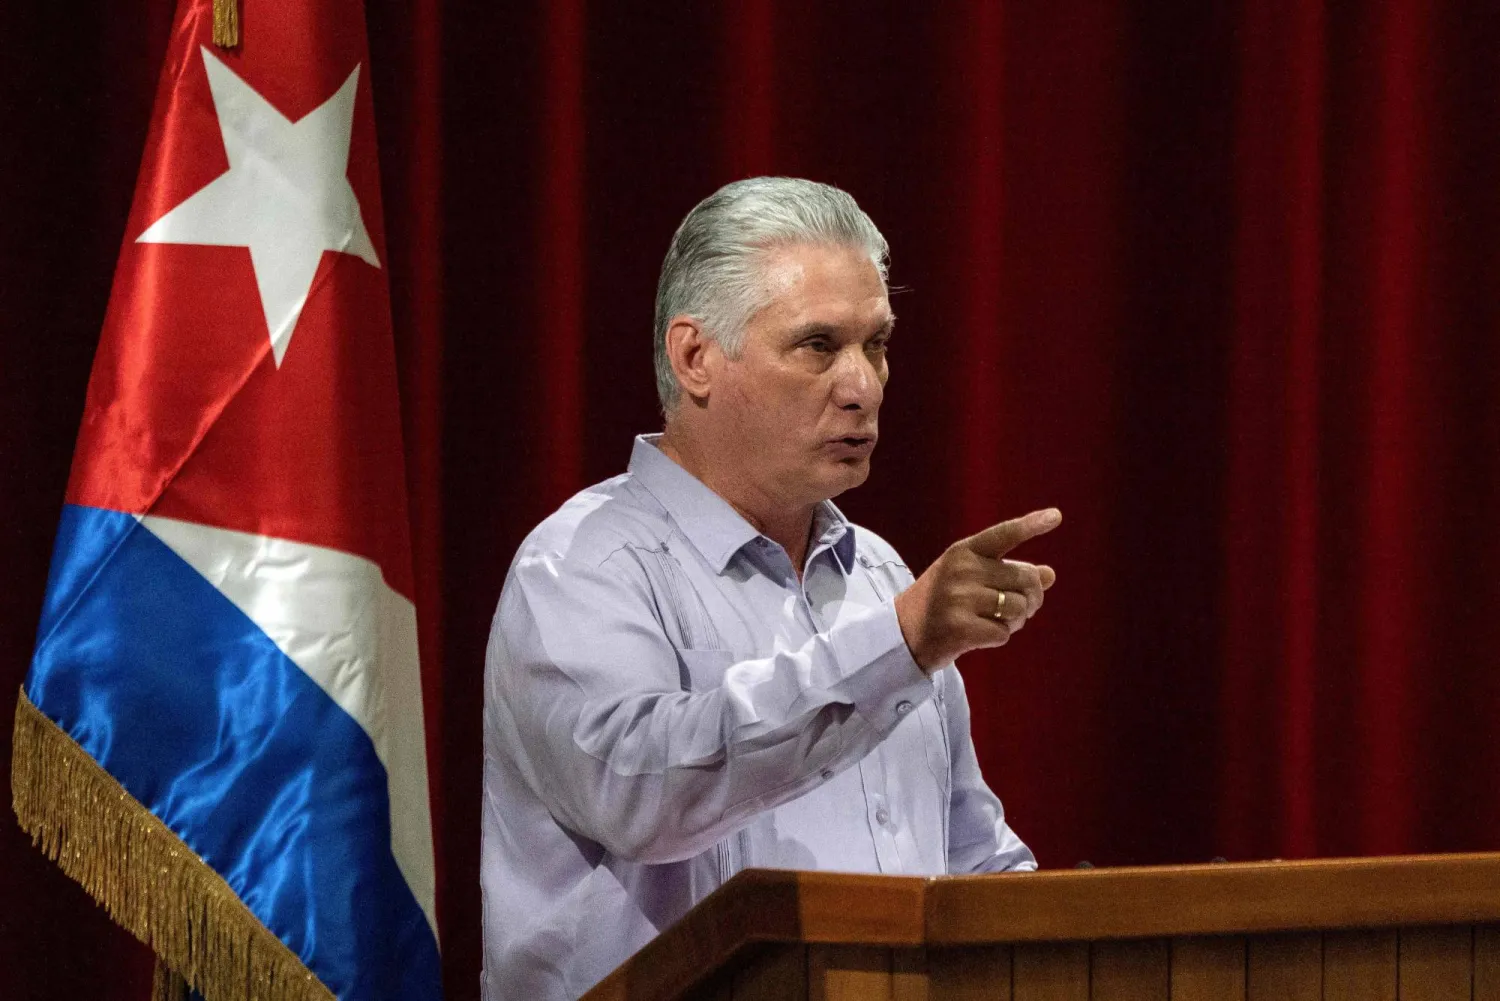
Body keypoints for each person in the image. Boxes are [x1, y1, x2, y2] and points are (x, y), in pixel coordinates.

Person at [480, 177, 1060, 1000]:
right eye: (818, 345)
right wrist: (897, 646)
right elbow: (650, 792)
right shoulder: (580, 567)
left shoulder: (882, 578)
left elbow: (966, 857)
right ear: (696, 358)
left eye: (878, 344)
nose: (863, 385)